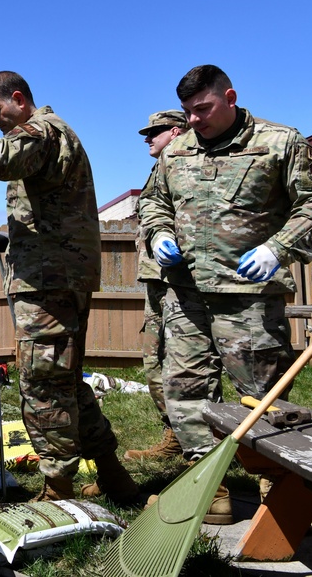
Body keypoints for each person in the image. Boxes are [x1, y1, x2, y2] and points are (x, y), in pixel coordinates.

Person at [0, 71, 140, 504]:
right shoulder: (50, 135)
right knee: (67, 381)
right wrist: (17, 240)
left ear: (18, 99)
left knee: (42, 385)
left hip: (49, 282)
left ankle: (58, 489)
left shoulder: (42, 130)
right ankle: (115, 477)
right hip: (55, 274)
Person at [138, 64, 312, 523]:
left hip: (247, 298)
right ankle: (211, 490)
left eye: (203, 108)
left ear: (229, 97)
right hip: (186, 296)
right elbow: (154, 200)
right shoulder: (178, 150)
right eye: (188, 111)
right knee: (185, 390)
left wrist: (279, 247)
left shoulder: (279, 142)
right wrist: (159, 232)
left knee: (263, 395)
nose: (194, 120)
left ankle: (284, 493)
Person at [123, 110, 188, 461]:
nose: (148, 138)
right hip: (156, 280)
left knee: (185, 367)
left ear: (176, 130)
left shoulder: (188, 168)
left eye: (155, 132)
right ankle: (176, 434)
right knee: (154, 362)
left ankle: (199, 439)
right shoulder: (160, 171)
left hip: (181, 283)